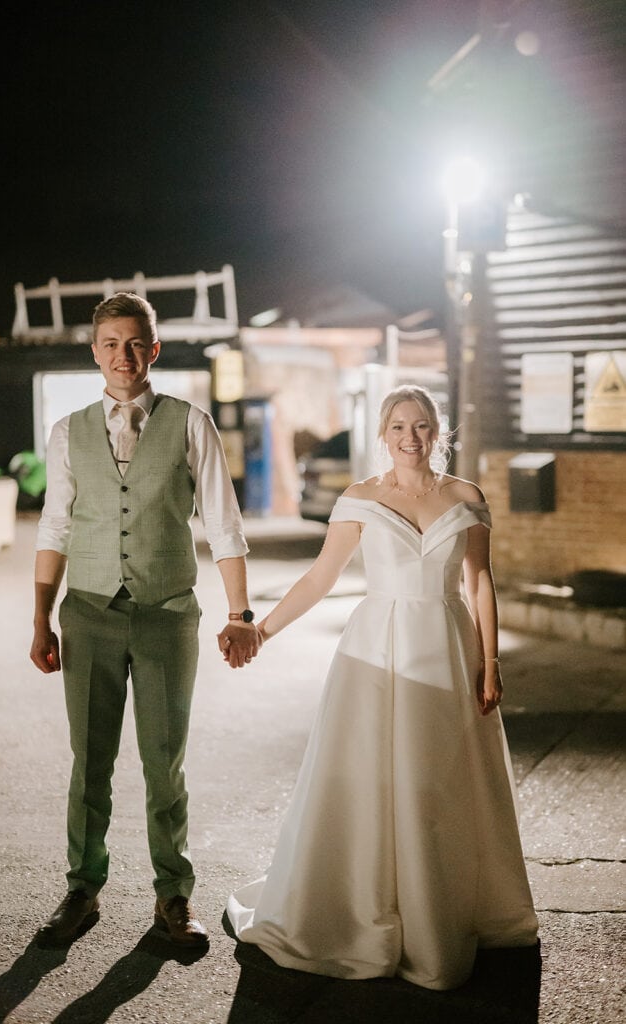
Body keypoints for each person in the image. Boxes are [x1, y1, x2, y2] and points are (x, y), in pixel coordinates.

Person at [227, 384, 538, 990]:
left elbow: (480, 584)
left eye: (420, 425)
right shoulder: (359, 499)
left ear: (437, 431)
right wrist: (260, 630)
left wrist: (492, 660)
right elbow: (321, 578)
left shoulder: (467, 497)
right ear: (382, 435)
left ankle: (442, 911)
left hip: (449, 648)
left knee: (440, 778)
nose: (410, 437)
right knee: (371, 776)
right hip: (375, 648)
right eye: (398, 427)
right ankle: (371, 907)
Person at [30, 292, 260, 949]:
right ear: (94, 352)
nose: (122, 356)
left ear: (152, 349)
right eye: (110, 344)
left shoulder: (190, 423)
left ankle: (173, 896)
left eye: (134, 343)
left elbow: (223, 522)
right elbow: (55, 524)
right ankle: (82, 890)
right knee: (89, 763)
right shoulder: (68, 430)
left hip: (166, 614)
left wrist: (240, 613)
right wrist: (41, 619)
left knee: (165, 765)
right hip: (89, 612)